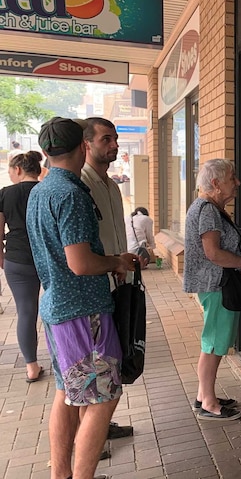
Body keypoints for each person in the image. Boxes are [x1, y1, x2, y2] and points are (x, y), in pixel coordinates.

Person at [26, 117, 136, 479]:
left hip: (58, 308)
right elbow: (81, 262)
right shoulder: (72, 194)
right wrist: (117, 261)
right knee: (103, 399)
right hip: (84, 311)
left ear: (45, 151)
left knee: (66, 394)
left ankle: (62, 474)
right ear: (82, 147)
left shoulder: (40, 190)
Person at [184, 159, 241, 420]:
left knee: (213, 341)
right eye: (232, 178)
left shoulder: (208, 207)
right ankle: (208, 403)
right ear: (215, 184)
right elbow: (213, 253)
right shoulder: (207, 210)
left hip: (216, 284)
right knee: (214, 343)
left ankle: (205, 395)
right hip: (216, 285)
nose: (236, 183)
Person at [80, 117, 138, 445]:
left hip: (117, 288)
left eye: (115, 138)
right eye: (106, 139)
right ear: (86, 144)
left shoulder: (112, 185)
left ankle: (102, 426)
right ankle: (90, 439)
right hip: (91, 293)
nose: (114, 144)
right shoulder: (80, 186)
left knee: (111, 366)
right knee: (92, 372)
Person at [0, 151, 44, 383]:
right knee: (56, 308)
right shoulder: (46, 190)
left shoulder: (5, 194)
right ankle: (67, 357)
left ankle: (31, 367)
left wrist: (2, 258)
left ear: (18, 169)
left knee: (26, 312)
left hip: (17, 259)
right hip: (48, 259)